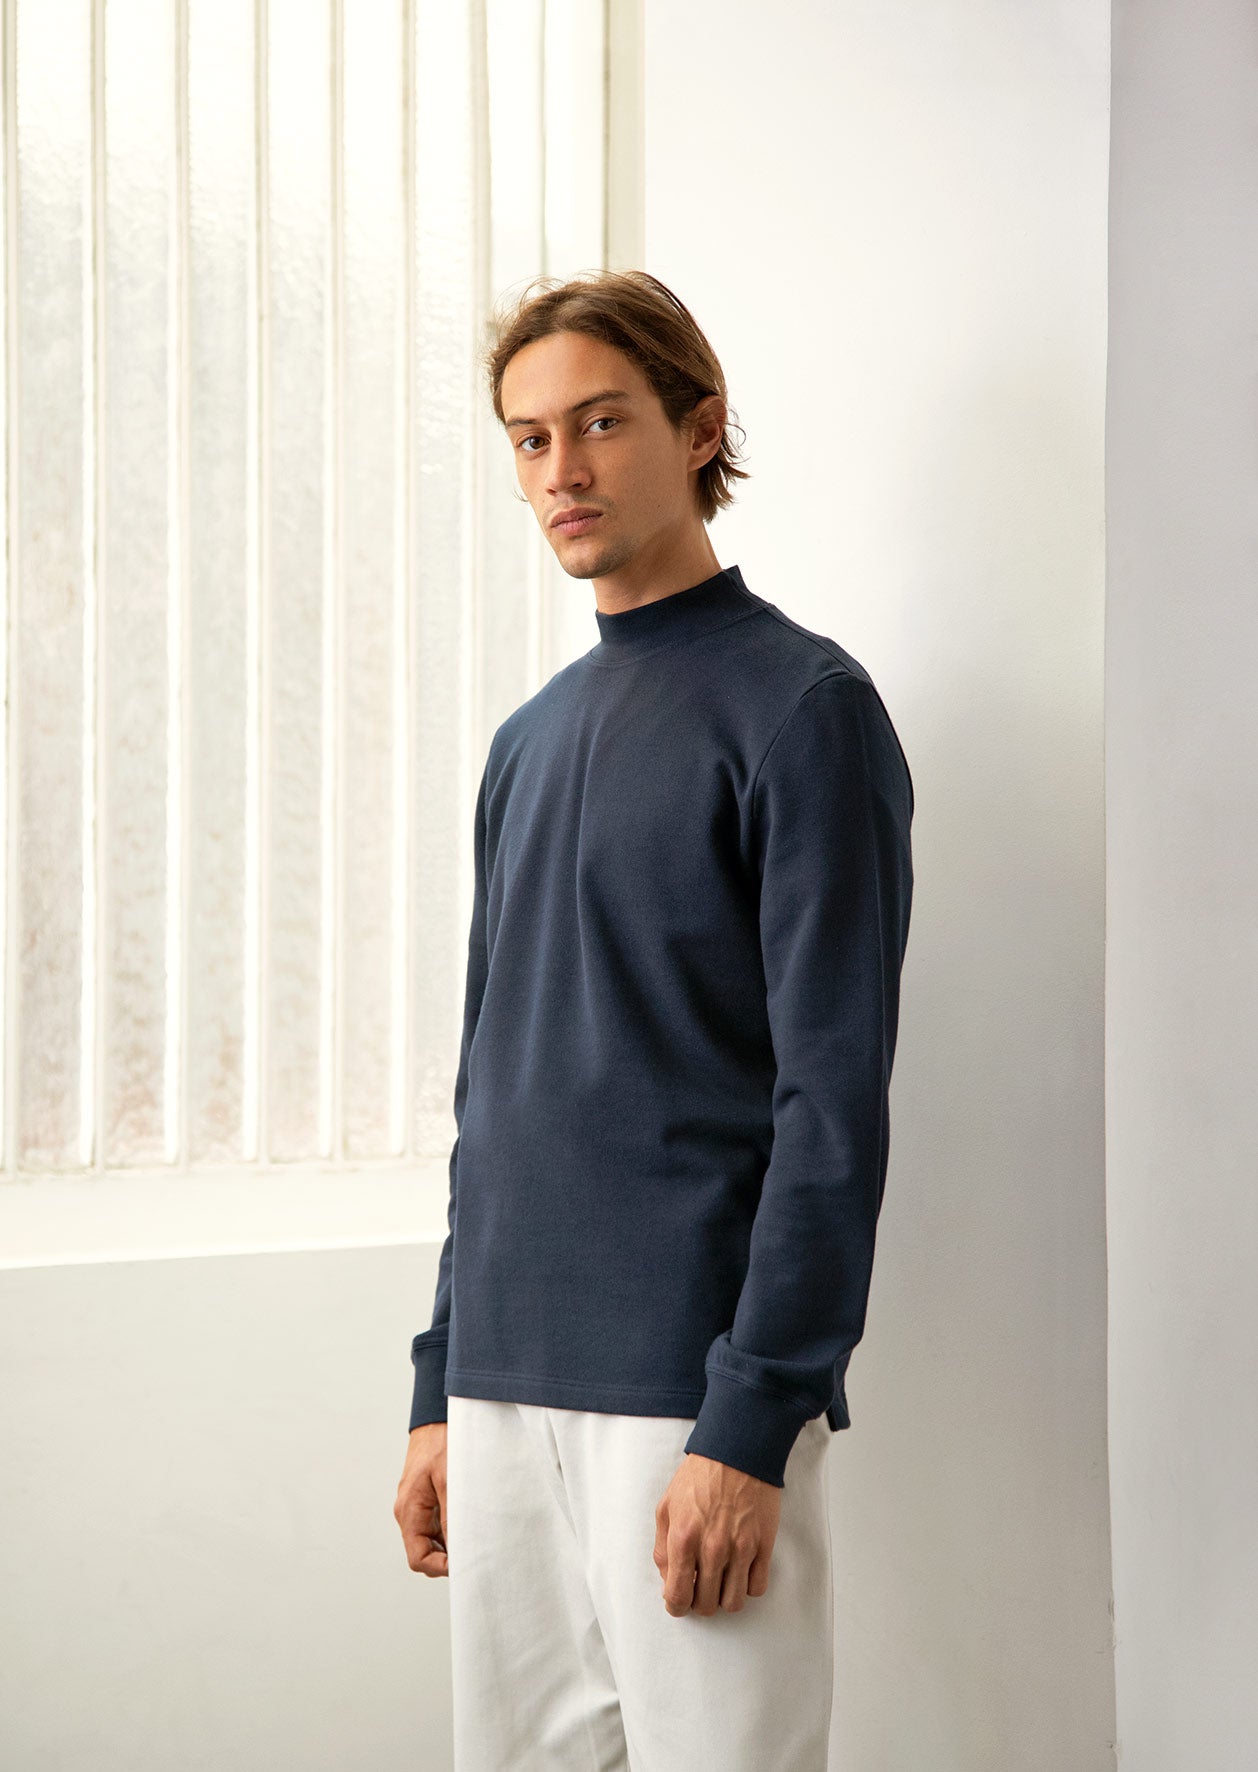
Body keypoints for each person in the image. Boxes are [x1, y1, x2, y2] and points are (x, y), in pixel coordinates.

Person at [393, 268, 915, 1770]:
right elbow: (493, 1093)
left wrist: (753, 1417)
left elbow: (832, 1104)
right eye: (529, 437)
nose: (560, 468)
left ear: (698, 428)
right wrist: (441, 1384)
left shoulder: (802, 710)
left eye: (601, 422)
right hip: (502, 1387)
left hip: (687, 1392)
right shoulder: (525, 743)